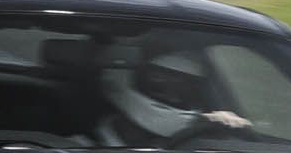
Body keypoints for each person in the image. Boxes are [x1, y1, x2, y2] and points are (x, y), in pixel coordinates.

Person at [97, 38, 249, 146]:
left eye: (186, 87)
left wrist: (223, 126)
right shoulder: (78, 149)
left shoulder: (203, 139)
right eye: (159, 80)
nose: (173, 95)